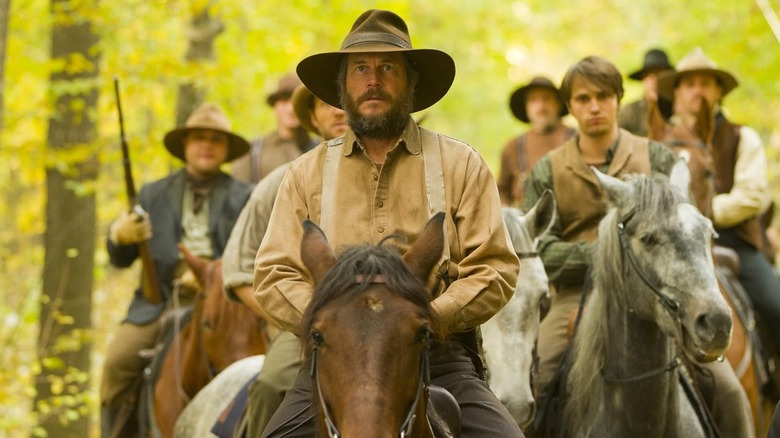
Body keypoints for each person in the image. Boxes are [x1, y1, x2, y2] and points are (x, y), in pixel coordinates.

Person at [253, 9, 522, 438]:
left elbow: (494, 268)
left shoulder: (462, 164)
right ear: (343, 86)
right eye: (360, 69)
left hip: (439, 357)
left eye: (387, 68)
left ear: (410, 83)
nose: (372, 80)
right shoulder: (305, 173)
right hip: (333, 359)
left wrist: (426, 318)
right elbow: (273, 272)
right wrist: (336, 323)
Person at [523, 55, 754, 437]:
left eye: (602, 96)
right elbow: (539, 247)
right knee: (535, 387)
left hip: (660, 289)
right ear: (570, 107)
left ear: (617, 98)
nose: (594, 107)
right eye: (583, 99)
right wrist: (610, 254)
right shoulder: (547, 169)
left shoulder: (657, 157)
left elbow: (686, 233)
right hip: (573, 296)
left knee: (728, 392)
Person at [100, 102, 253, 437]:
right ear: (185, 144)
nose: (206, 145)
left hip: (225, 304)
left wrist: (210, 275)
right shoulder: (152, 193)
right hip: (158, 303)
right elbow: (120, 259)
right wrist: (118, 235)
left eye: (215, 139)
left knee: (263, 370)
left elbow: (251, 254)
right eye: (199, 137)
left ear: (226, 149)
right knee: (116, 364)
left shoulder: (245, 197)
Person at [220, 84, 347, 437]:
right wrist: (305, 317)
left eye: (344, 102)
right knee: (274, 384)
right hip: (302, 328)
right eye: (326, 103)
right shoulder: (281, 182)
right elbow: (238, 272)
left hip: (391, 322)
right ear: (312, 117)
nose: (338, 111)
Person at [657, 47, 780, 357]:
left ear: (719, 91)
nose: (698, 91)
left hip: (734, 243)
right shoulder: (659, 141)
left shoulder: (743, 136)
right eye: (689, 83)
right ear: (677, 93)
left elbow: (751, 196)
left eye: (706, 83)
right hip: (673, 248)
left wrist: (700, 214)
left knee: (775, 305)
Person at [497, 76, 575, 206]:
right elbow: (501, 191)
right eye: (534, 100)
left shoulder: (577, 139)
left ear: (558, 104)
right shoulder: (513, 147)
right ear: (526, 107)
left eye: (547, 99)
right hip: (526, 222)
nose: (541, 106)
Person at [231, 73, 318, 183]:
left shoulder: (318, 149)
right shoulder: (254, 151)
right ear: (274, 106)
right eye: (284, 102)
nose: (290, 109)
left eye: (295, 102)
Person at [618, 48, 674, 137]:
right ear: (643, 79)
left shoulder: (676, 110)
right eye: (649, 76)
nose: (654, 81)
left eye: (659, 75)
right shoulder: (629, 112)